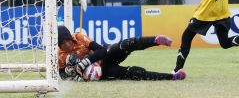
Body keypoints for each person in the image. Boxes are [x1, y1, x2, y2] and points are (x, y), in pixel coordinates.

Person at [58, 25, 186, 82]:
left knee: (126, 44)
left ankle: (155, 40)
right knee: (134, 73)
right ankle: (172, 77)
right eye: (63, 43)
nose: (68, 44)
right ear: (59, 45)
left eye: (68, 40)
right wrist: (75, 75)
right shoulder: (59, 55)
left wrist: (85, 62)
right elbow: (62, 75)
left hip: (106, 56)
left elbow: (101, 50)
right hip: (103, 71)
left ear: (71, 37)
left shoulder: (79, 37)